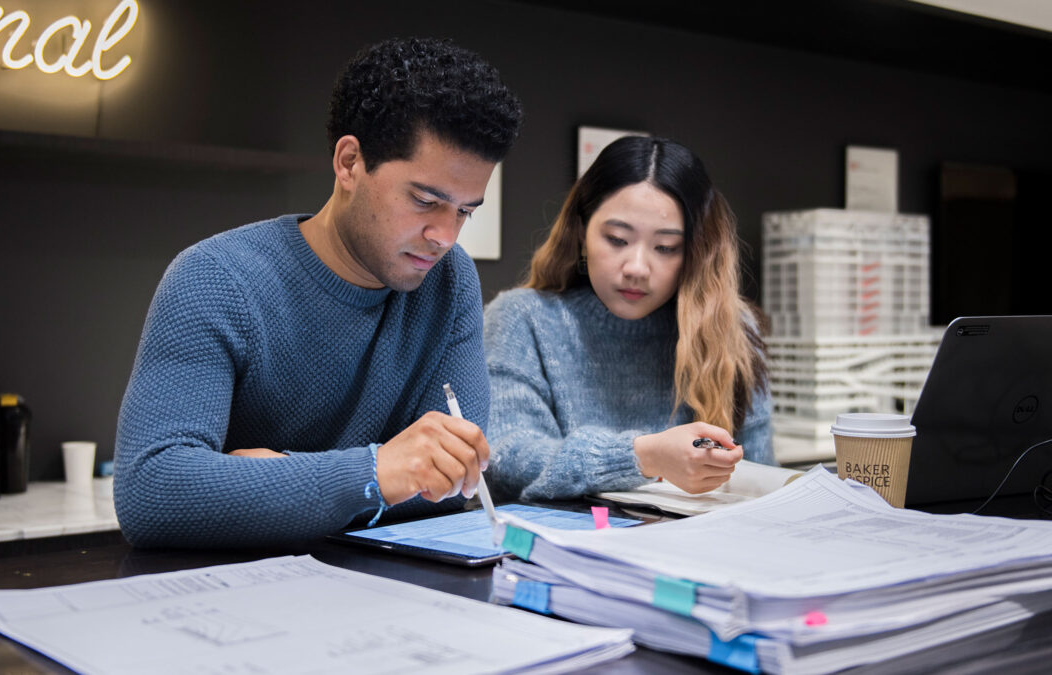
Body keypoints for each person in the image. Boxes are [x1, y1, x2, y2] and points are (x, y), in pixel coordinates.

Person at [114, 37, 523, 547]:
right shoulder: (215, 278)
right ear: (350, 162)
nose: (446, 236)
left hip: (383, 600)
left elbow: (449, 479)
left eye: (465, 211)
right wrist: (375, 471)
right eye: (424, 200)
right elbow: (154, 494)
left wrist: (279, 474)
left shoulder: (450, 281)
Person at [484, 135, 772, 502]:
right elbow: (507, 460)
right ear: (582, 232)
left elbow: (761, 482)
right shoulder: (522, 319)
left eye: (666, 247)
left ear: (696, 253)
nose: (636, 268)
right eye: (617, 239)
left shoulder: (733, 330)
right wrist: (642, 457)